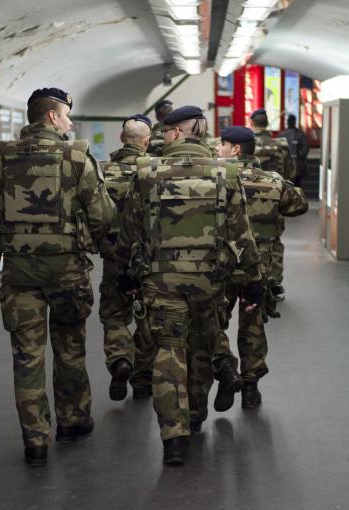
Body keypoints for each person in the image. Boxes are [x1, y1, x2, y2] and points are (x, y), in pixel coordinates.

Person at [115, 106, 264, 465]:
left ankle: (173, 437)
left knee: (168, 352)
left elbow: (130, 229)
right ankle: (195, 417)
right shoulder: (225, 172)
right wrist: (252, 281)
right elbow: (241, 233)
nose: (164, 137)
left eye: (167, 132)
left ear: (179, 133)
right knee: (201, 346)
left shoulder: (147, 171)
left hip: (161, 280)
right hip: (210, 280)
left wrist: (125, 275)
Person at [0, 88, 115, 467]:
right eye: (67, 115)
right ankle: (73, 422)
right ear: (52, 117)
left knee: (27, 356)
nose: (70, 122)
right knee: (69, 348)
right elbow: (103, 215)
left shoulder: (0, 160)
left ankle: (35, 438)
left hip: (19, 274)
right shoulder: (76, 157)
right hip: (68, 272)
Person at [215, 126, 308, 408]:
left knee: (213, 321)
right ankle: (251, 387)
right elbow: (299, 206)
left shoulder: (216, 179)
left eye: (222, 145)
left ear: (235, 150)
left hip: (223, 265)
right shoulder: (273, 181)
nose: (218, 149)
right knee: (253, 324)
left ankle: (225, 368)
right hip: (259, 267)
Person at [98, 114, 155, 401]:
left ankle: (120, 359)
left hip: (114, 259)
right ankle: (143, 381)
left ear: (122, 139)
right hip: (148, 261)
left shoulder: (101, 171)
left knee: (114, 314)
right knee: (148, 319)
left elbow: (92, 215)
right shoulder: (155, 172)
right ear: (147, 141)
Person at [251, 108, 297, 302]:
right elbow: (290, 173)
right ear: (267, 123)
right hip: (274, 201)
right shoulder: (280, 145)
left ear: (252, 123)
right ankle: (275, 284)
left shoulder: (246, 144)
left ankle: (251, 283)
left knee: (247, 239)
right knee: (274, 242)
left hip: (249, 201)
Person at [279, 114, 309, 187]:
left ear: (294, 122)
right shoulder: (282, 134)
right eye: (288, 121)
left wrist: (300, 157)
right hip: (286, 164)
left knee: (296, 183)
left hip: (297, 164)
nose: (289, 122)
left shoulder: (300, 134)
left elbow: (305, 148)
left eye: (290, 121)